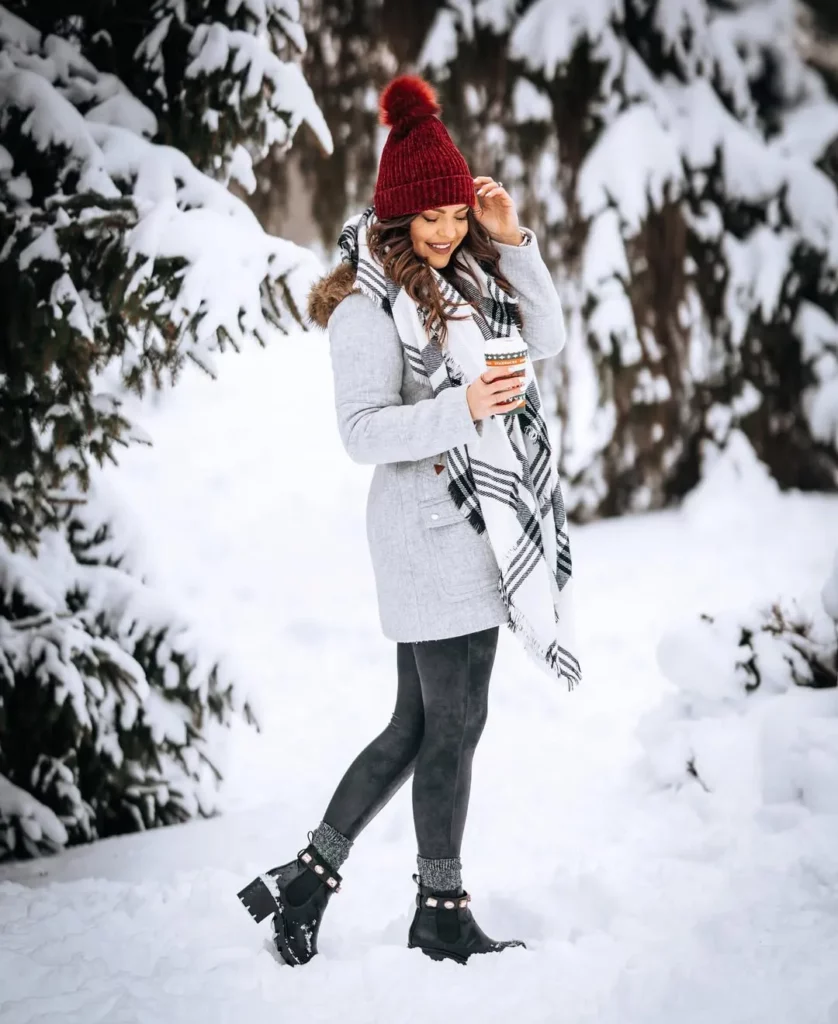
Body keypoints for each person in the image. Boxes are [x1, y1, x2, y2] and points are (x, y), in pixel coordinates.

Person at [237, 75, 580, 967]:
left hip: (477, 530)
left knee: (419, 727)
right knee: (452, 728)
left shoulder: (468, 271)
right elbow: (361, 432)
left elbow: (542, 341)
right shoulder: (365, 306)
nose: (444, 230)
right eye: (428, 218)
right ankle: (438, 907)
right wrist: (462, 408)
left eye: (455, 215)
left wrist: (513, 242)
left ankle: (309, 876)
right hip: (428, 536)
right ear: (394, 214)